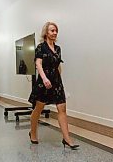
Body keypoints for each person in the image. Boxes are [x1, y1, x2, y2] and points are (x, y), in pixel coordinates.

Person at [28, 21, 79, 149]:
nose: (55, 33)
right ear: (46, 32)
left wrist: (60, 82)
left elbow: (58, 66)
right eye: (52, 30)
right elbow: (38, 64)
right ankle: (33, 133)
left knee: (62, 109)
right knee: (38, 108)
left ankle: (67, 139)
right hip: (44, 82)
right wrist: (44, 78)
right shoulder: (40, 47)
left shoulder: (57, 48)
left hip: (56, 81)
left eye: (56, 31)